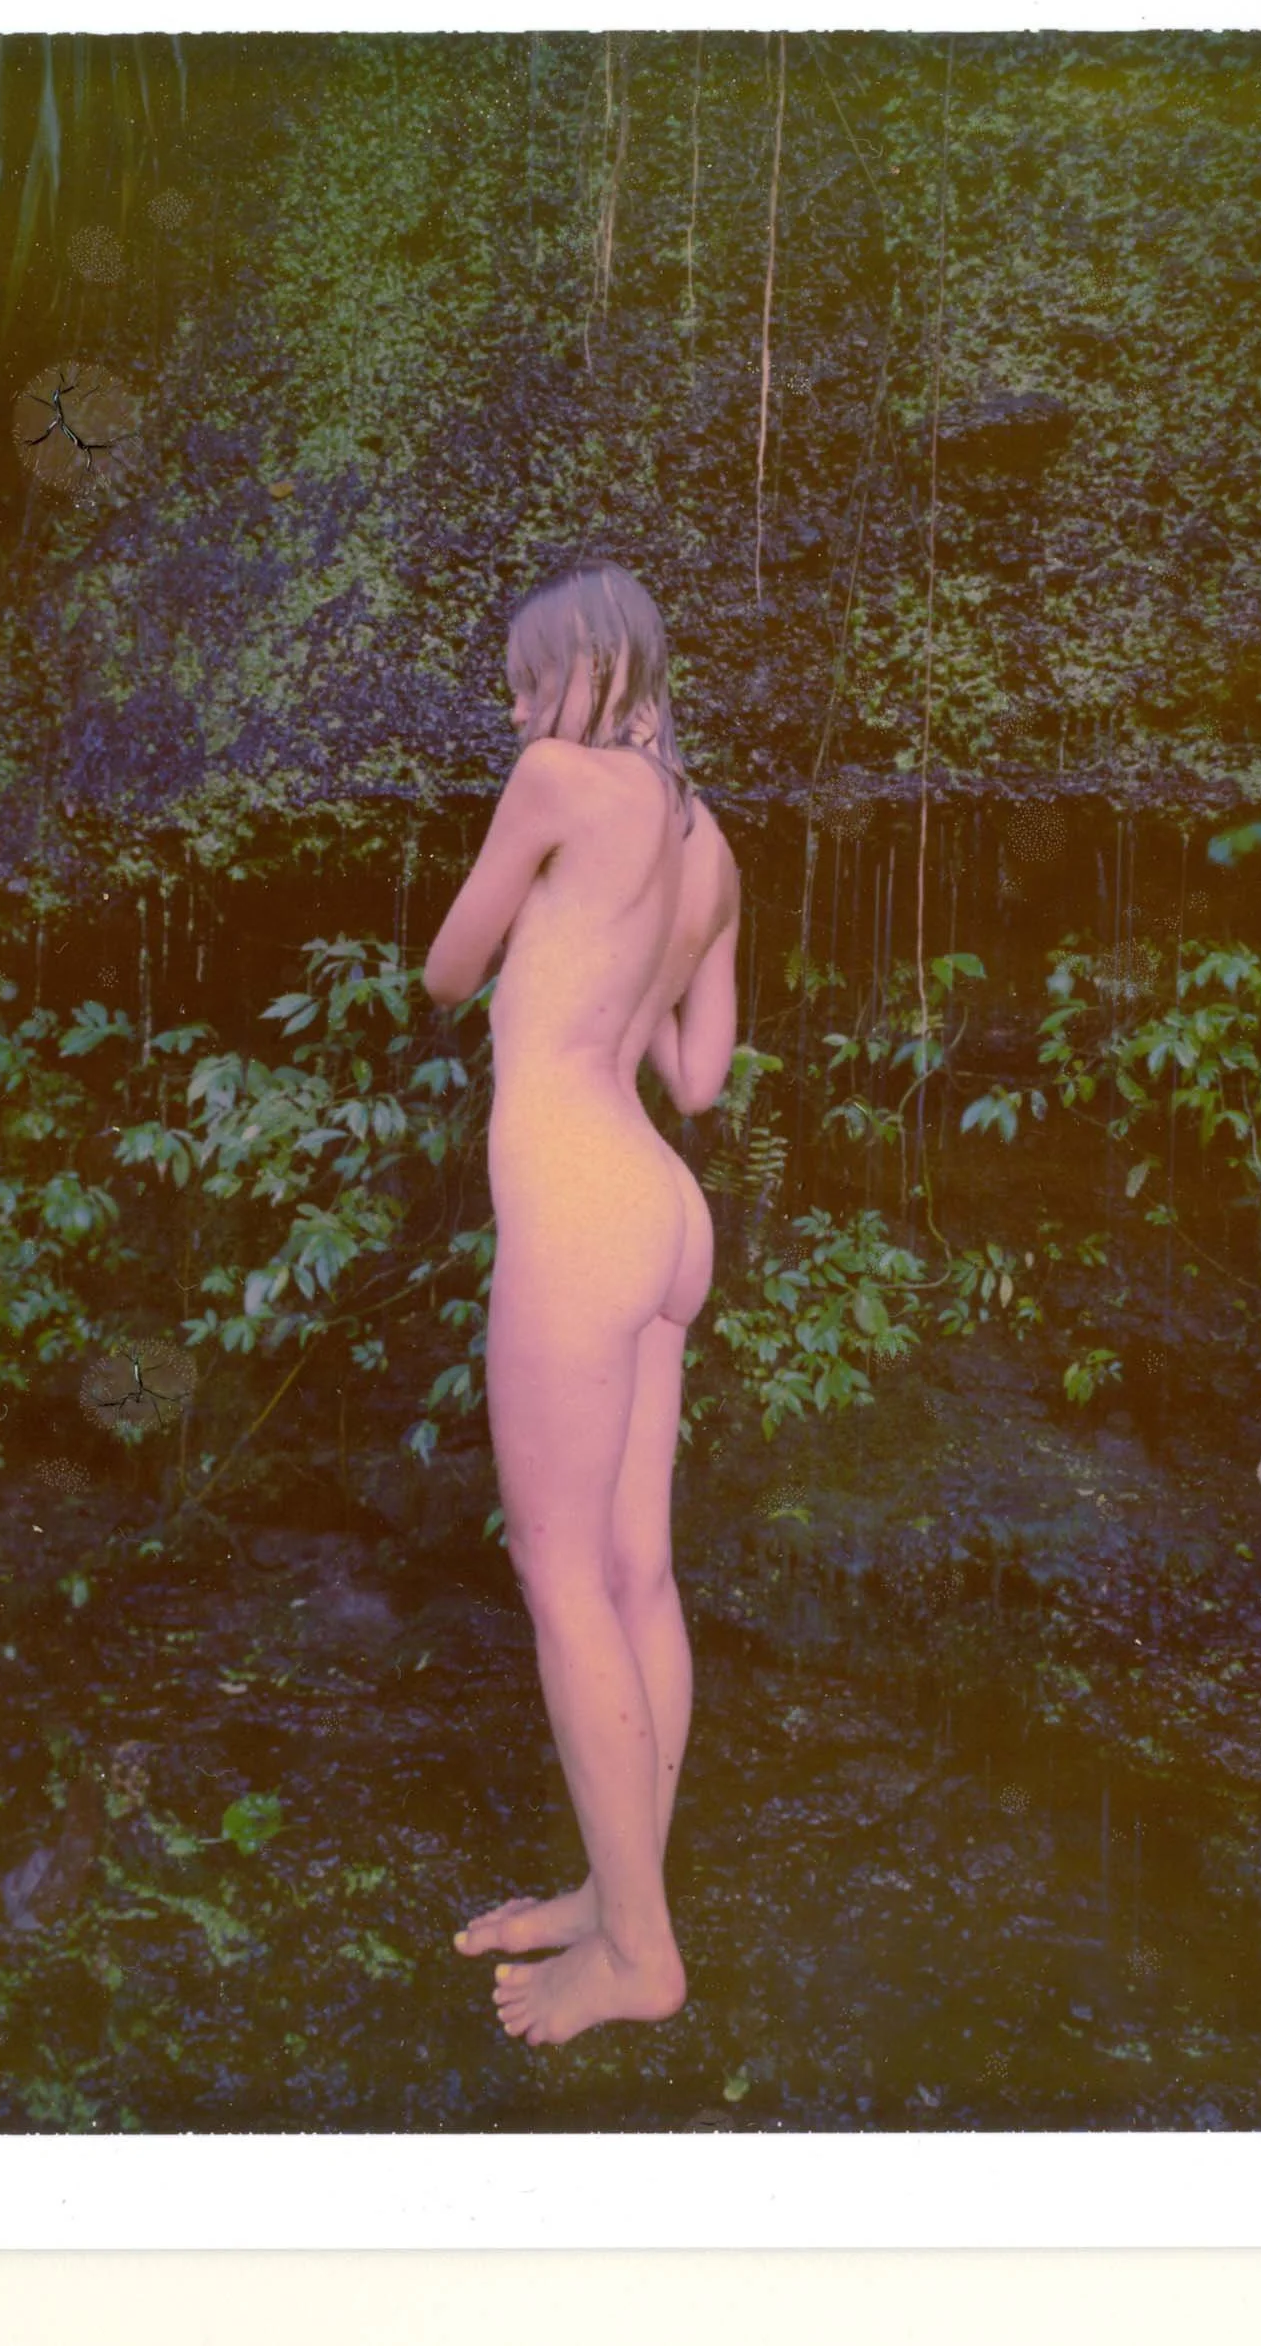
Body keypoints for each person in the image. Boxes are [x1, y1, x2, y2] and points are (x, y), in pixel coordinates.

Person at [422, 562, 742, 2047]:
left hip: (578, 1200)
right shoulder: (709, 844)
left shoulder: (555, 782)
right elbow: (699, 1078)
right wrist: (639, 951)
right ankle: (618, 1899)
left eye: (522, 681)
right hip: (666, 1209)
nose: (512, 712)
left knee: (561, 1576)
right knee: (635, 1577)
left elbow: (448, 970)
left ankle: (638, 1957)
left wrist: (547, 903)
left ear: (581, 669)